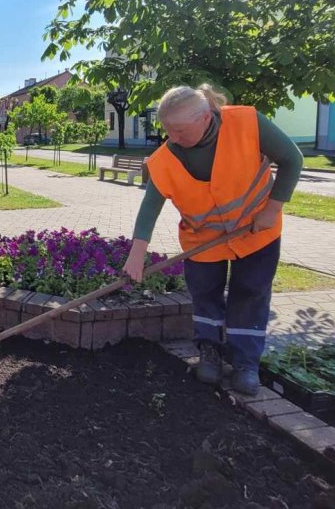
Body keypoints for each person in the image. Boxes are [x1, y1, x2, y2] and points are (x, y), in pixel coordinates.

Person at [122, 84, 303, 395]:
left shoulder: (246, 122)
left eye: (179, 130)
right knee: (205, 294)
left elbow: (293, 160)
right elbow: (150, 205)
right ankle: (210, 351)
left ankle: (246, 363)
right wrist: (137, 253)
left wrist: (272, 209)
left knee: (250, 293)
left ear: (205, 117)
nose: (173, 138)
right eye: (168, 130)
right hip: (202, 240)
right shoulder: (165, 158)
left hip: (256, 231)